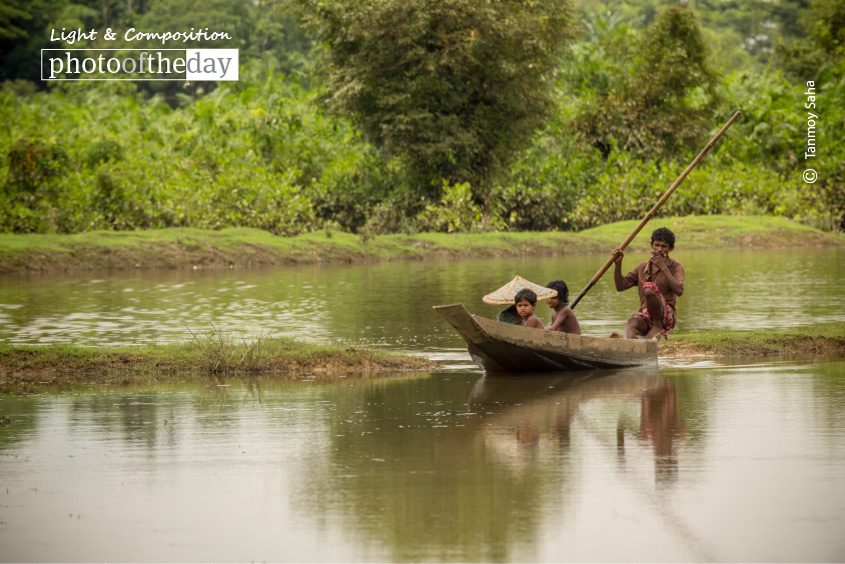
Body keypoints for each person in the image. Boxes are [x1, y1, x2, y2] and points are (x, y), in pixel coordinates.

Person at [613, 227, 685, 339]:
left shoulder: (675, 267)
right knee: (631, 322)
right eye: (657, 245)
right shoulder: (642, 268)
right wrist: (618, 265)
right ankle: (630, 347)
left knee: (649, 288)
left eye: (664, 246)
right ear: (652, 245)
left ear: (671, 248)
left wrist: (663, 267)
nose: (659, 249)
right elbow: (620, 286)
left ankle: (658, 326)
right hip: (645, 315)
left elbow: (679, 291)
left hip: (665, 317)